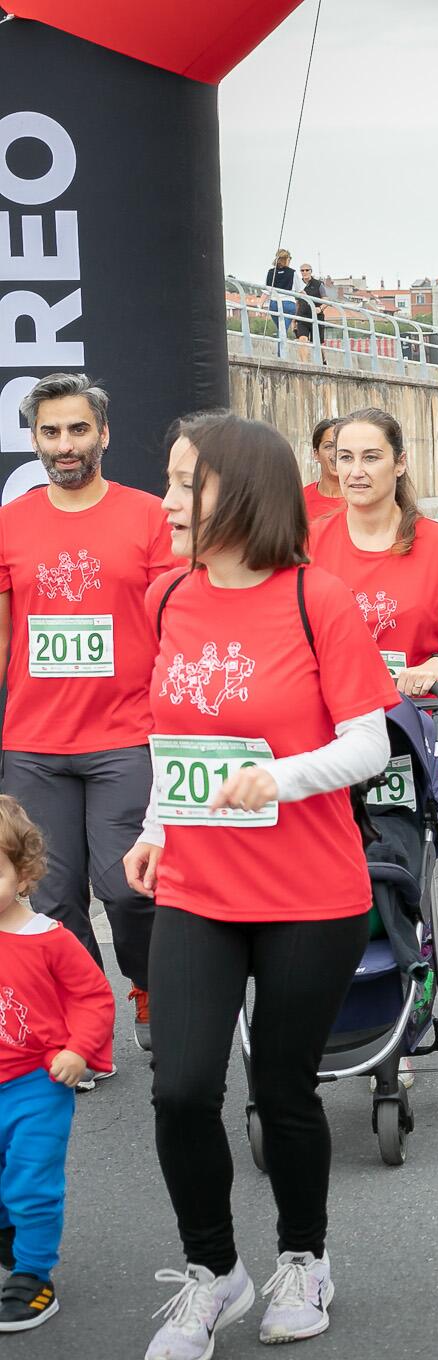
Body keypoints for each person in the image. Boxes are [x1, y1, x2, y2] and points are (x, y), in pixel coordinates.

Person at [126, 413, 396, 1357]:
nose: (165, 502)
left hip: (309, 895)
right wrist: (160, 828)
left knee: (282, 1092)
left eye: (183, 483)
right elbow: (175, 741)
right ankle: (214, 1272)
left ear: (239, 493)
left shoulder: (317, 598)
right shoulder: (168, 599)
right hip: (199, 885)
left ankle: (303, 1258)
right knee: (182, 1090)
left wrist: (279, 778)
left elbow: (370, 742)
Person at [0, 374, 177, 1054]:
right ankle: (86, 1021)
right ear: (35, 440)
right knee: (49, 898)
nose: (65, 445)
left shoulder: (150, 516)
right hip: (36, 742)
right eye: (51, 432)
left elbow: (175, 623)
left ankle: (147, 982)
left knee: (128, 887)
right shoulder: (12, 522)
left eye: (78, 430)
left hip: (126, 737)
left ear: (103, 433)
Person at [307, 403, 438, 837]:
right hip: (323, 727)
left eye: (371, 457)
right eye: (345, 457)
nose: (355, 471)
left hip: (407, 727)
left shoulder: (437, 545)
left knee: (398, 857)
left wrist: (436, 666)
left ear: (399, 464)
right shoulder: (309, 542)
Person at [0, 794, 113, 1332]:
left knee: (30, 1180)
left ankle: (33, 1275)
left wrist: (78, 1049)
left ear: (23, 876)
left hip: (34, 1084)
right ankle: (10, 1230)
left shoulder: (49, 940)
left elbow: (93, 998)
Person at [301, 417, 344, 522]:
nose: (336, 452)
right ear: (316, 454)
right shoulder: (300, 500)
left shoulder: (362, 498)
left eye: (342, 445)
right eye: (329, 446)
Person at [263, 251, 297, 351]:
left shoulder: (270, 272)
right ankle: (281, 354)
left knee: (281, 329)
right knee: (283, 329)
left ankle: (281, 352)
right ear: (287, 259)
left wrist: (259, 304)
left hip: (274, 304)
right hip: (288, 304)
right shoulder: (292, 273)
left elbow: (266, 290)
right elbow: (300, 290)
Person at [292, 263, 326, 345]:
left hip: (317, 317)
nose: (305, 272)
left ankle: (323, 358)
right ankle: (304, 358)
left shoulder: (318, 284)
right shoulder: (298, 285)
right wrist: (294, 320)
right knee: (302, 340)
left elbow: (326, 299)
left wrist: (320, 308)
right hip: (302, 318)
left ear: (311, 271)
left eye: (307, 270)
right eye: (302, 270)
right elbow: (297, 303)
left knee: (318, 344)